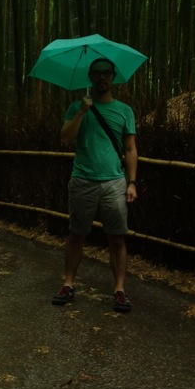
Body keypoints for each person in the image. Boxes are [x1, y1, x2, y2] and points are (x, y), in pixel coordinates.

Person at [52, 57, 138, 312]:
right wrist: (81, 112)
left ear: (113, 77)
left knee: (117, 238)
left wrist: (132, 182)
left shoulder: (124, 111)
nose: (102, 77)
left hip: (114, 182)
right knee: (76, 235)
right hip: (83, 180)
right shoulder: (76, 107)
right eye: (97, 73)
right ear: (90, 77)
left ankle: (120, 290)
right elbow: (65, 139)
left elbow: (130, 148)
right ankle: (68, 284)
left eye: (106, 73)